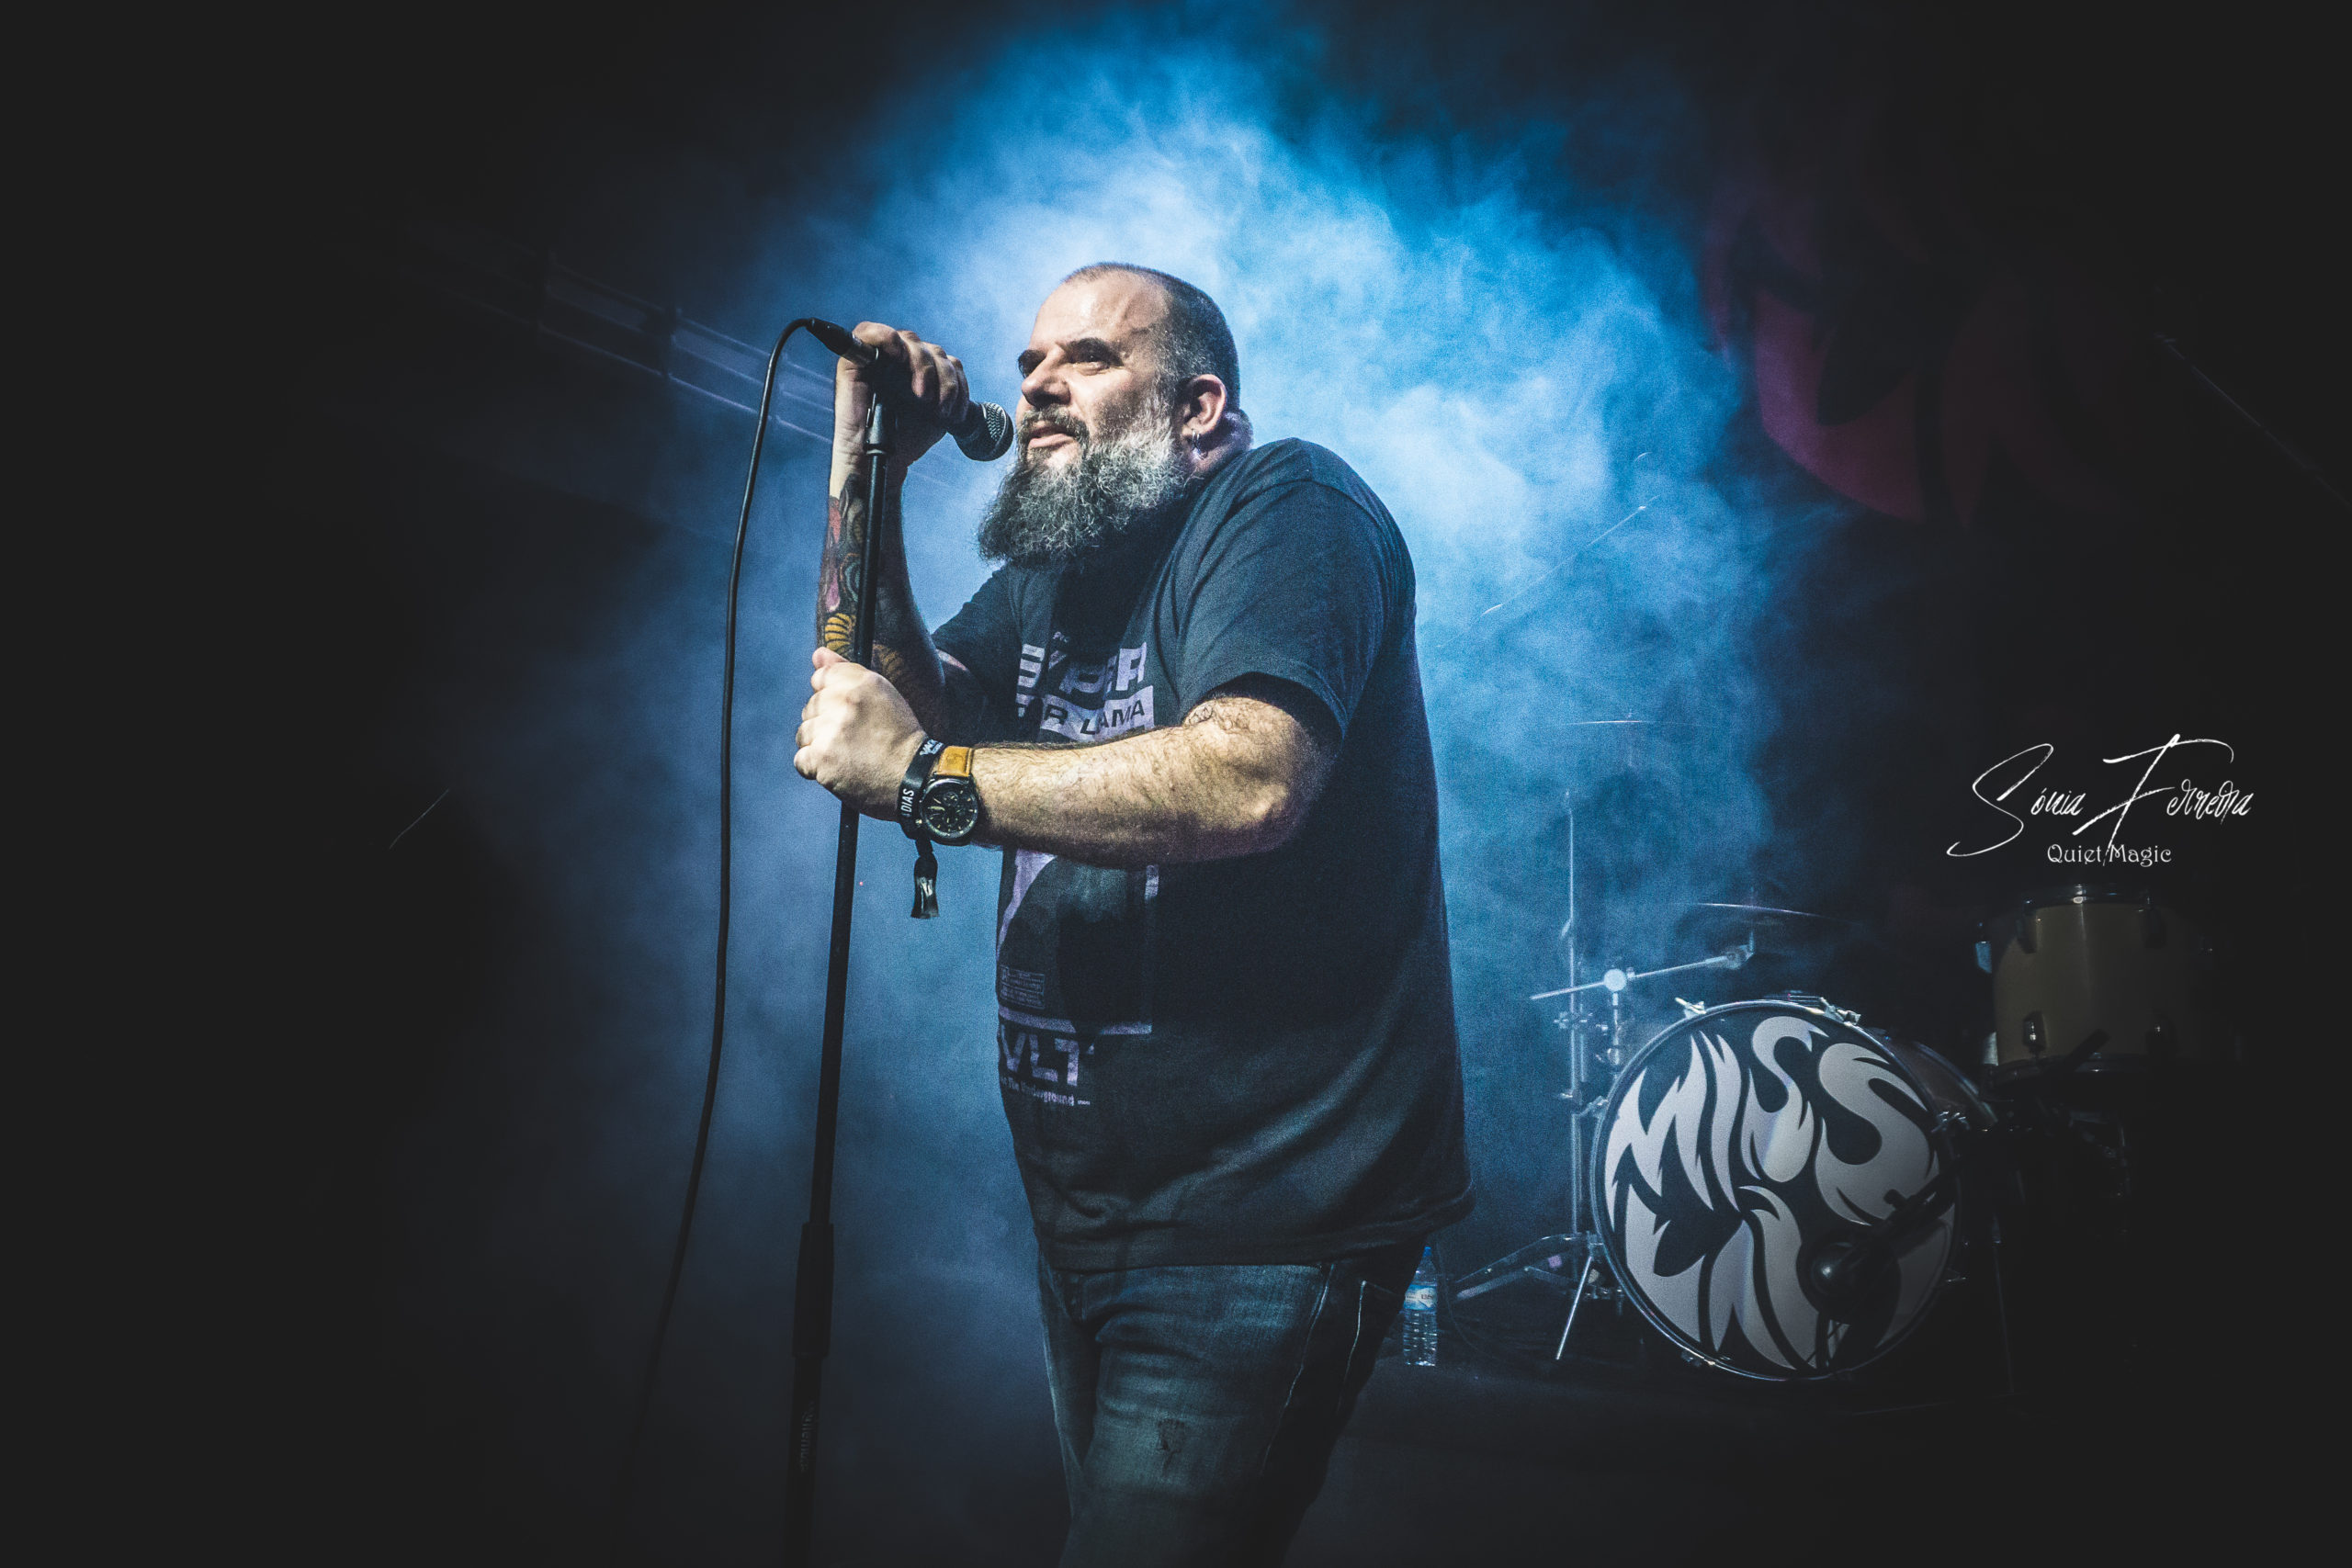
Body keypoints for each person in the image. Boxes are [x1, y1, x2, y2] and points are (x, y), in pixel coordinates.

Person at [793, 263, 1470, 1565]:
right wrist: (868, 468)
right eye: (1031, 361)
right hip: (1094, 1208)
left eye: (1089, 358)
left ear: (1199, 407)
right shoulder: (1062, 568)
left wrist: (925, 784)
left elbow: (1250, 776)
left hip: (1265, 1214)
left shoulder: (1290, 508)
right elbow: (902, 704)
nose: (1040, 383)